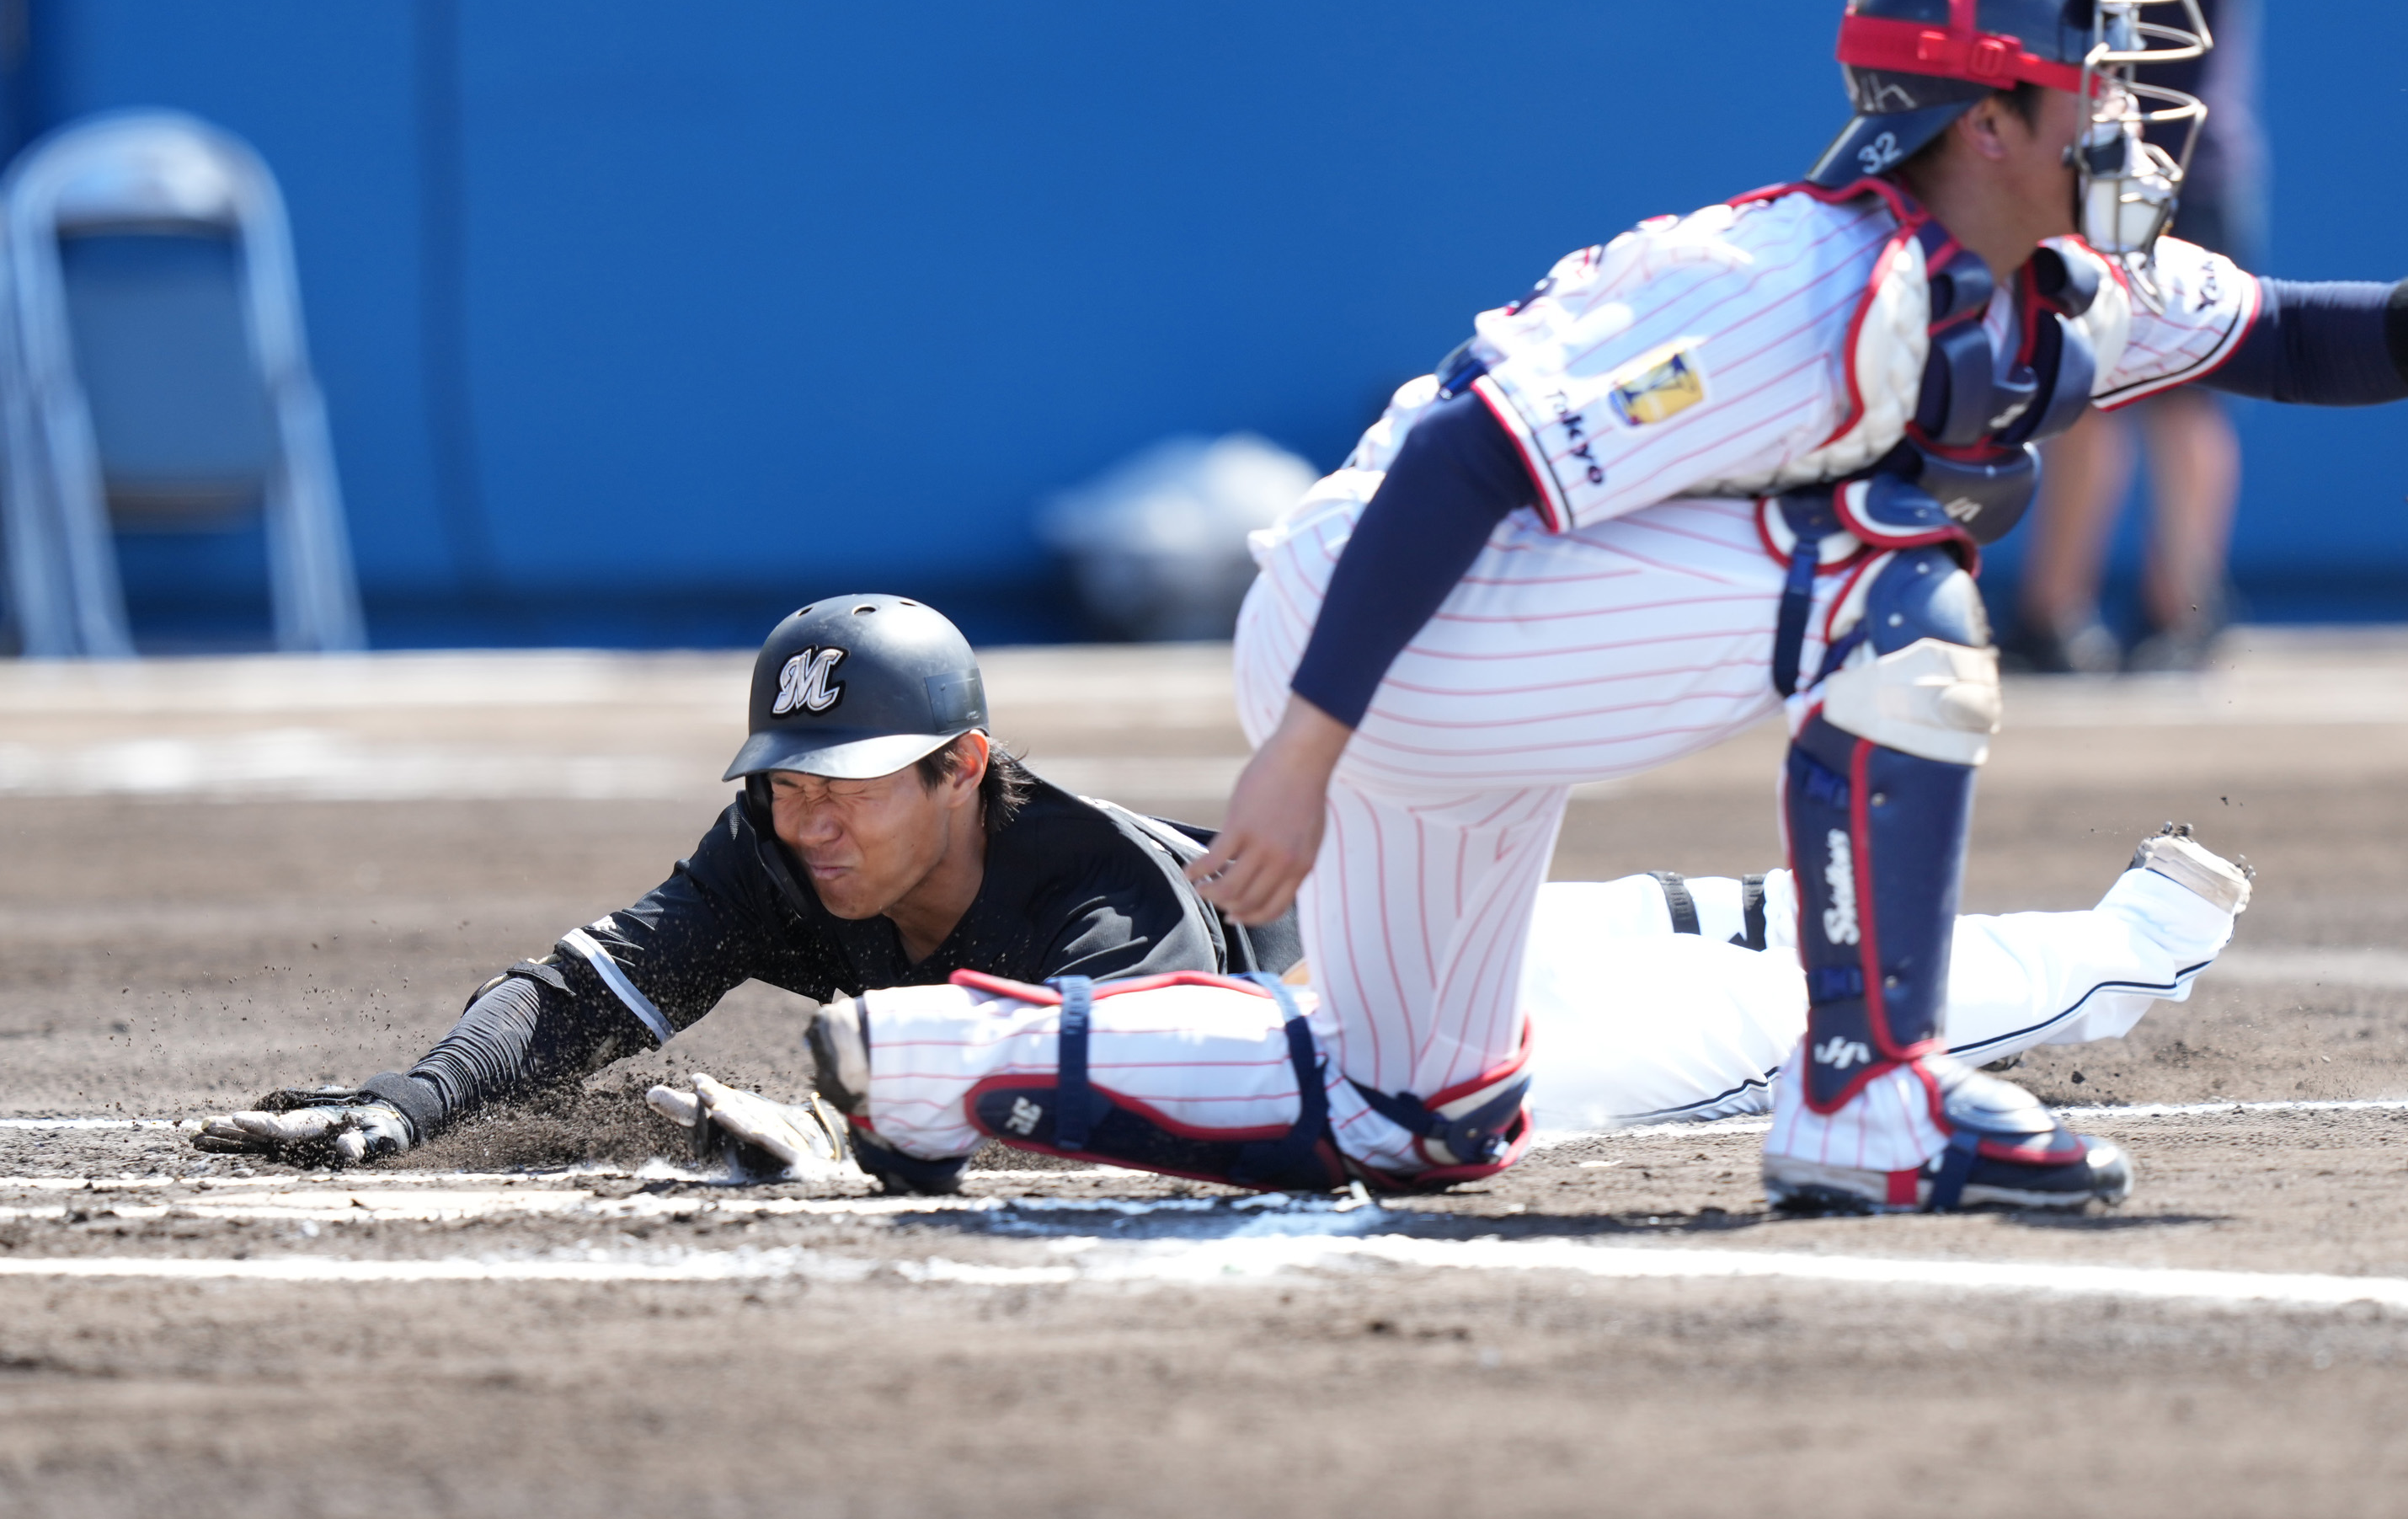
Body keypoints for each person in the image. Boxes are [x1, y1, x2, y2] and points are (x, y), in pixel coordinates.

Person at [826, 0, 2408, 1213]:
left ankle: (931, 1067)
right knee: (1890, 582)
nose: (2128, 110)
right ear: (1981, 124)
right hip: (1394, 617)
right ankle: (1868, 1098)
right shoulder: (1793, 282)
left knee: (1419, 1118)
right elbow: (1467, 458)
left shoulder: (2046, 280)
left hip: (1458, 652)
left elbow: (2301, 341)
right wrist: (1302, 748)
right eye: (2085, 79)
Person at [189, 592, 2252, 1172]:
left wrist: (857, 1138)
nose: (804, 819)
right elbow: (597, 986)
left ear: (965, 769)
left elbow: (1191, 1093)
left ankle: (2123, 947)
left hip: (1422, 1011)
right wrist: (408, 1100)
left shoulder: (1090, 891)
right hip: (1413, 960)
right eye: (784, 783)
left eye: (852, 782)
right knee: (1717, 932)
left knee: (1770, 1001)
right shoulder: (784, 852)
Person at [1882, 0, 2263, 672]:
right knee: (2075, 373)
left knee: (2188, 382)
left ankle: (2187, 612)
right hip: (2068, 146)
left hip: (2173, 147)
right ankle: (2054, 611)